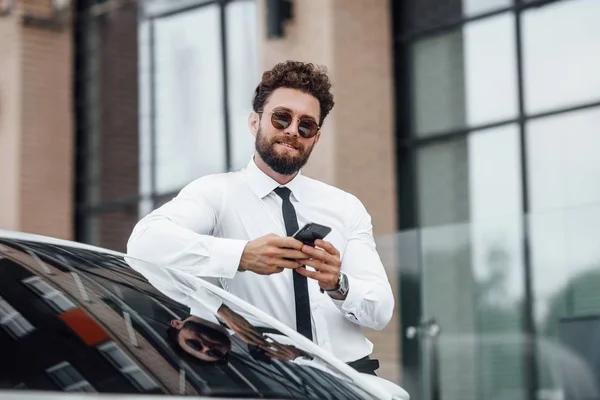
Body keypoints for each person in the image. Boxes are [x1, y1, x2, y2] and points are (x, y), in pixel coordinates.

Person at [127, 60, 394, 375]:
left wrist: (339, 284)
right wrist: (241, 255)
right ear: (255, 122)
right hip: (268, 381)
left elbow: (380, 312)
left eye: (306, 125)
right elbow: (144, 244)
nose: (293, 131)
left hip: (353, 380)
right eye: (281, 118)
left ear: (316, 139)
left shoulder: (346, 206)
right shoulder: (216, 193)